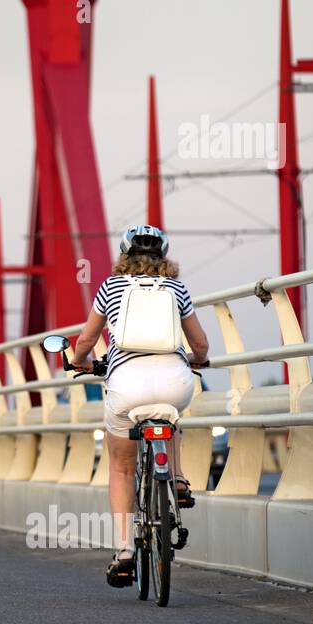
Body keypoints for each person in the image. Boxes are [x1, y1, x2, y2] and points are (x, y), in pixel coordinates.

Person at [67, 225, 210, 588]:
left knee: (121, 466)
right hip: (175, 381)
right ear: (164, 255)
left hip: (126, 382)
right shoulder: (176, 289)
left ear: (123, 255)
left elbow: (86, 338)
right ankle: (176, 479)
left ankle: (125, 551)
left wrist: (77, 359)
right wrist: (197, 358)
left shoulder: (110, 287)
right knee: (170, 415)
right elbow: (201, 343)